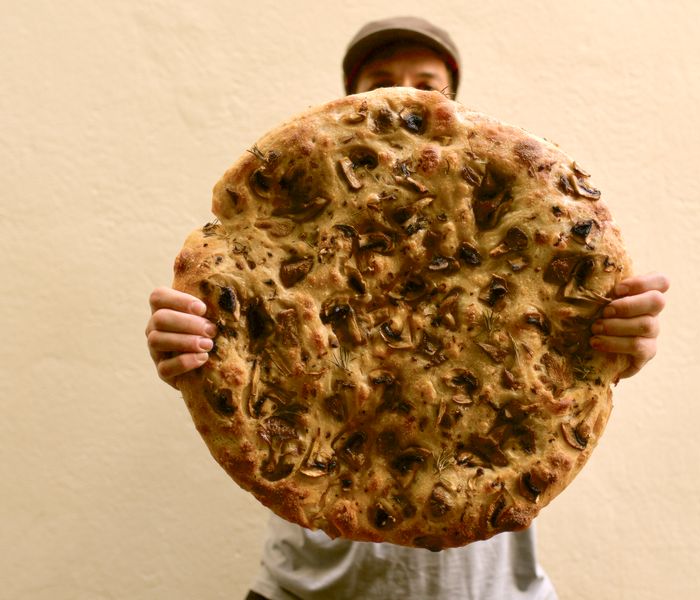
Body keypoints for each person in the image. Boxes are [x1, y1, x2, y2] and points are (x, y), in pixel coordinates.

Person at [145, 17, 670, 600]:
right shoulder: (278, 230)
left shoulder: (532, 234)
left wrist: (621, 342)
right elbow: (227, 357)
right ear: (350, 97)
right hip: (312, 590)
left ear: (451, 101)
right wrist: (192, 347)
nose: (406, 94)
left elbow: (584, 357)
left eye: (428, 83)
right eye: (382, 78)